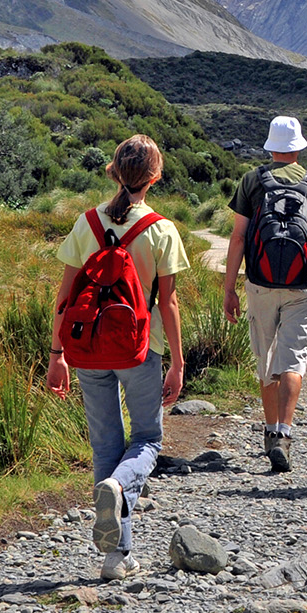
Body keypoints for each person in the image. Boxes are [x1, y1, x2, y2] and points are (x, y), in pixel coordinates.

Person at [47, 134, 188, 579]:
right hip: (140, 352)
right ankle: (118, 495)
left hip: (87, 350)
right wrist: (179, 362)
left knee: (106, 444)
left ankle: (117, 556)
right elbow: (168, 305)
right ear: (155, 177)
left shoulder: (85, 223)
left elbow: (65, 297)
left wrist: (57, 354)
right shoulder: (162, 229)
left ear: (112, 171)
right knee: (146, 439)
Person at [222, 114, 307, 473]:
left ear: (271, 146)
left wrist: (229, 288)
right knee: (293, 358)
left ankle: (269, 431)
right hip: (303, 288)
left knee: (265, 357)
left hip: (259, 284)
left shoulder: (252, 181)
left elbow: (239, 237)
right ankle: (285, 434)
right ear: (299, 148)